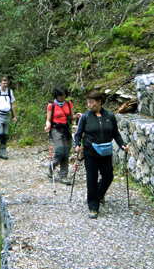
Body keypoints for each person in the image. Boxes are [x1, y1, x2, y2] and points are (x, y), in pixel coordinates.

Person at [74, 89, 129, 219]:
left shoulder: (110, 116)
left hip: (105, 152)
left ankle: (99, 193)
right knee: (91, 179)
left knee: (108, 176)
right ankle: (93, 207)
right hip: (90, 152)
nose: (89, 105)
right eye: (88, 102)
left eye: (92, 102)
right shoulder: (85, 117)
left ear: (99, 102)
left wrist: (122, 146)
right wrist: (77, 145)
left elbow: (115, 133)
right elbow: (78, 134)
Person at [45, 85, 75, 185]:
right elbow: (48, 120)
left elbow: (72, 116)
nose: (63, 97)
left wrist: (77, 116)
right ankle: (51, 166)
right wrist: (47, 127)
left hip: (66, 129)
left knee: (66, 153)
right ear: (56, 95)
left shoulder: (68, 103)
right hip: (56, 130)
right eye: (61, 96)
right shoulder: (51, 105)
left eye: (64, 95)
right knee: (60, 151)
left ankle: (63, 176)